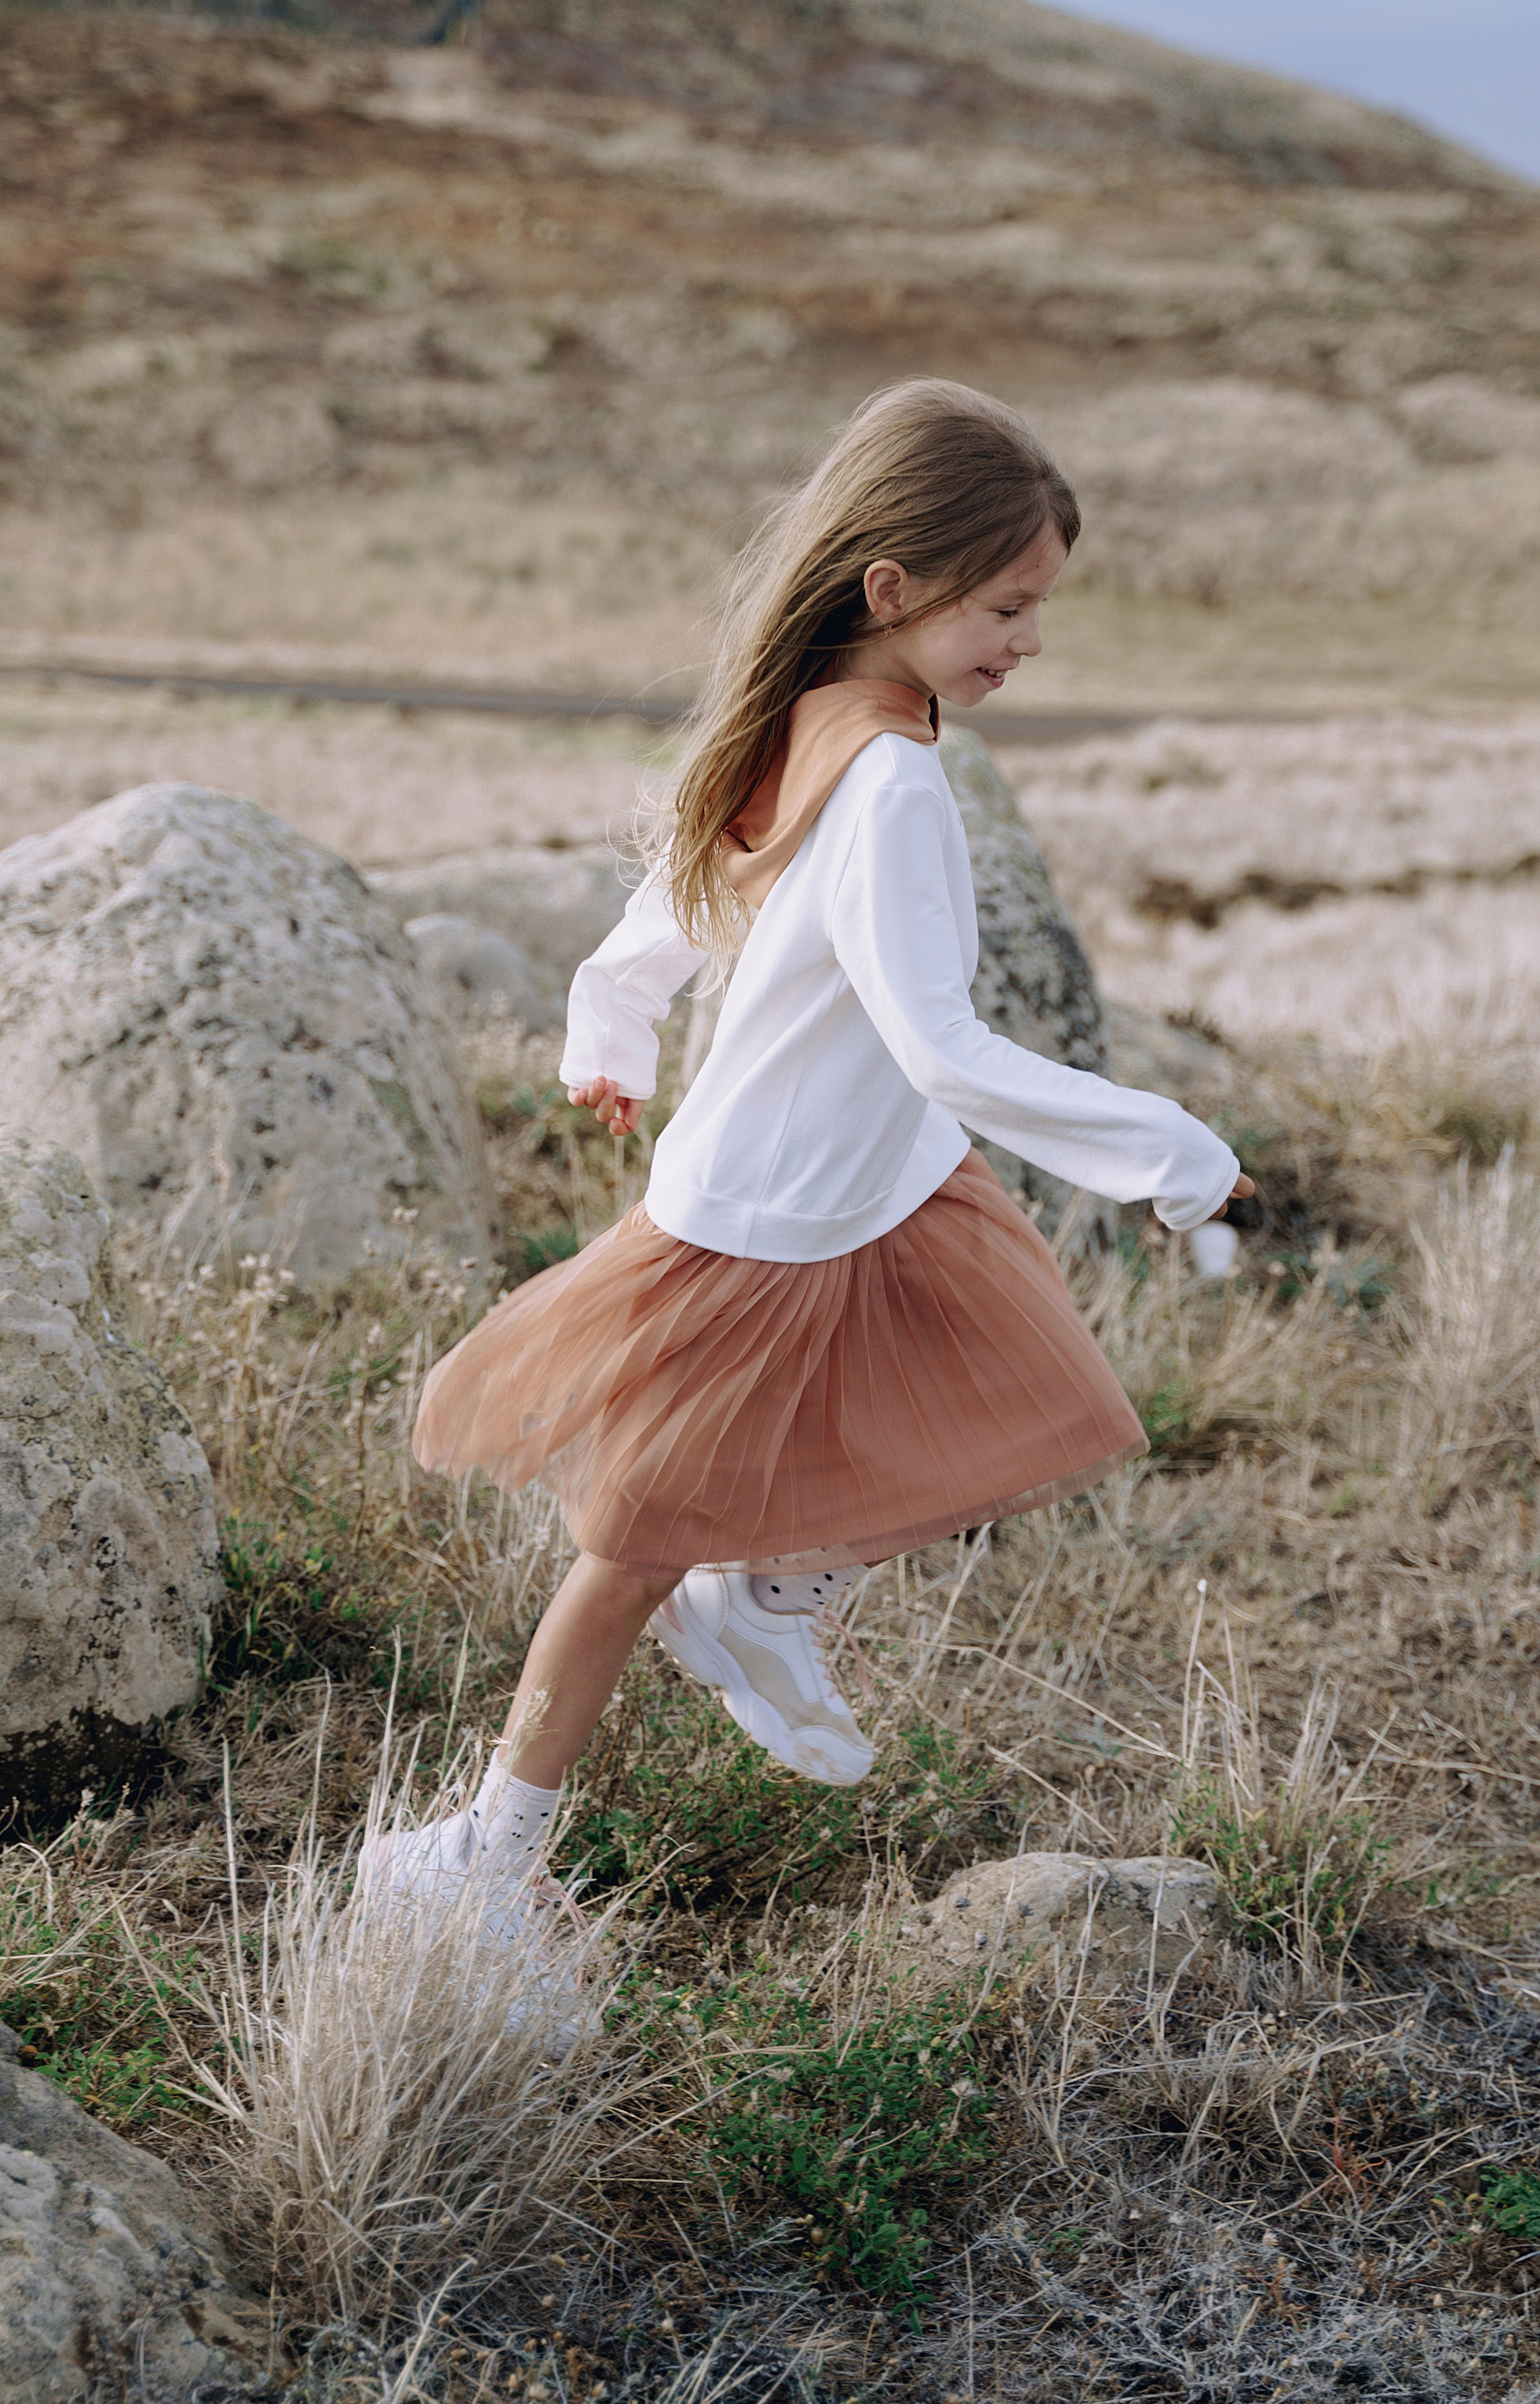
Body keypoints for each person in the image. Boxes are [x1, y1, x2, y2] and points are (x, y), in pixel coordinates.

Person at [364, 378, 1252, 1939]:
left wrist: (611, 1024)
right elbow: (939, 1044)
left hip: (884, 1181)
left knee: (1033, 1408)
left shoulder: (815, 718)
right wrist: (1169, 1151)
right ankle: (487, 1855)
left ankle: (763, 1597)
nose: (1028, 641)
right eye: (1007, 604)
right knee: (626, 1553)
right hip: (765, 1217)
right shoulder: (891, 778)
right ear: (890, 588)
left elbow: (669, 898)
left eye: (1037, 608)